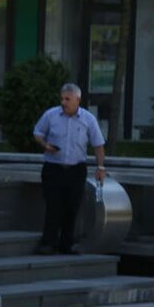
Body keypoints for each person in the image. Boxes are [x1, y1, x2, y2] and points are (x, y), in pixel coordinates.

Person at [31, 83, 107, 255]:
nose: (64, 102)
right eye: (62, 98)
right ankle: (48, 243)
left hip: (76, 169)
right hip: (53, 168)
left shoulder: (88, 119)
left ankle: (67, 243)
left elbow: (98, 144)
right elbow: (37, 133)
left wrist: (100, 167)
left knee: (72, 206)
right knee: (53, 205)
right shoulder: (51, 115)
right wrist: (46, 145)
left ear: (77, 100)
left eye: (68, 99)